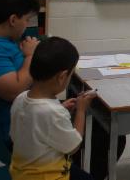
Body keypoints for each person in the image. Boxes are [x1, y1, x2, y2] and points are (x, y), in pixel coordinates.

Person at [9, 37, 95, 180]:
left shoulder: (20, 98)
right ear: (62, 77)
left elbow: (32, 122)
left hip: (20, 173)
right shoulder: (54, 113)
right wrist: (81, 111)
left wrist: (60, 108)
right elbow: (73, 146)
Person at [0, 0, 41, 153]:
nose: (27, 25)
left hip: (30, 116)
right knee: (98, 133)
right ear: (13, 20)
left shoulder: (6, 41)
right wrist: (30, 56)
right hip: (20, 132)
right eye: (27, 20)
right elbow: (14, 90)